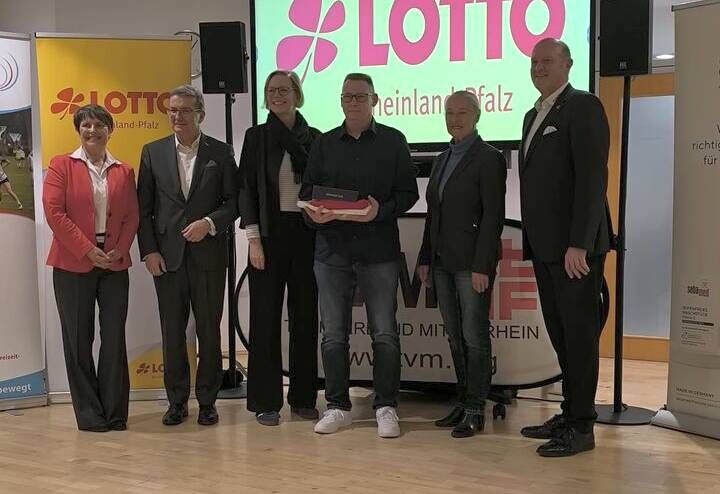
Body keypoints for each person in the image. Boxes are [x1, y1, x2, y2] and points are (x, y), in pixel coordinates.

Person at [300, 73, 419, 438]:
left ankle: (386, 406)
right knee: (333, 334)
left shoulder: (394, 141)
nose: (353, 102)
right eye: (347, 96)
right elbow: (307, 192)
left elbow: (409, 194)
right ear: (340, 101)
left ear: (374, 100)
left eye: (360, 96)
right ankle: (337, 406)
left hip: (378, 251)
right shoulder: (323, 143)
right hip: (331, 252)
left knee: (384, 332)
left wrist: (380, 211)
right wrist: (314, 214)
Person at [518, 38, 611, 457]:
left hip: (574, 252)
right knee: (561, 335)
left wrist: (580, 243)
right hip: (545, 248)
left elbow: (592, 180)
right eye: (534, 61)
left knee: (579, 336)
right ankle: (570, 412)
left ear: (568, 65)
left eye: (547, 61)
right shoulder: (532, 114)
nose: (538, 67)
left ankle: (582, 427)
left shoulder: (583, 106)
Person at [137, 85, 239, 427]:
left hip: (209, 257)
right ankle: (177, 402)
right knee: (172, 333)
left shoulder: (221, 152)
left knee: (209, 332)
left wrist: (209, 223)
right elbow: (143, 209)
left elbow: (234, 203)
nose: (176, 116)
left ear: (200, 115)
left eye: (184, 110)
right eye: (172, 110)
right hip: (167, 259)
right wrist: (149, 251)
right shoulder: (152, 152)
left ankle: (208, 402)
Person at [42, 104, 139, 432]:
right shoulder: (61, 165)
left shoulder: (124, 171)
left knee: (113, 338)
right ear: (78, 130)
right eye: (86, 125)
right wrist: (87, 250)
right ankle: (89, 415)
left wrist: (119, 249)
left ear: (110, 130)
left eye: (99, 125)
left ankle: (114, 413)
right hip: (72, 263)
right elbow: (54, 213)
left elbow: (132, 216)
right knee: (78, 340)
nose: (92, 130)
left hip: (114, 262)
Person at [417, 91, 506, 438]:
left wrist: (483, 265)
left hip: (472, 265)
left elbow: (492, 217)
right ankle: (462, 399)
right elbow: (433, 215)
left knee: (474, 336)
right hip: (441, 261)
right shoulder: (441, 158)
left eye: (462, 113)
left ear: (476, 115)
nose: (455, 119)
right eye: (449, 113)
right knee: (455, 336)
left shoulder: (489, 158)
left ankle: (475, 407)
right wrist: (425, 257)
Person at [238, 70, 320, 426]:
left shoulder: (316, 138)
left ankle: (303, 398)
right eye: (271, 90)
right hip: (267, 237)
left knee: (305, 318)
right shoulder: (255, 137)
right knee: (264, 318)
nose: (277, 95)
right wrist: (253, 240)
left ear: (297, 95)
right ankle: (266, 401)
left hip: (307, 235)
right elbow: (245, 190)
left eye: (284, 90)